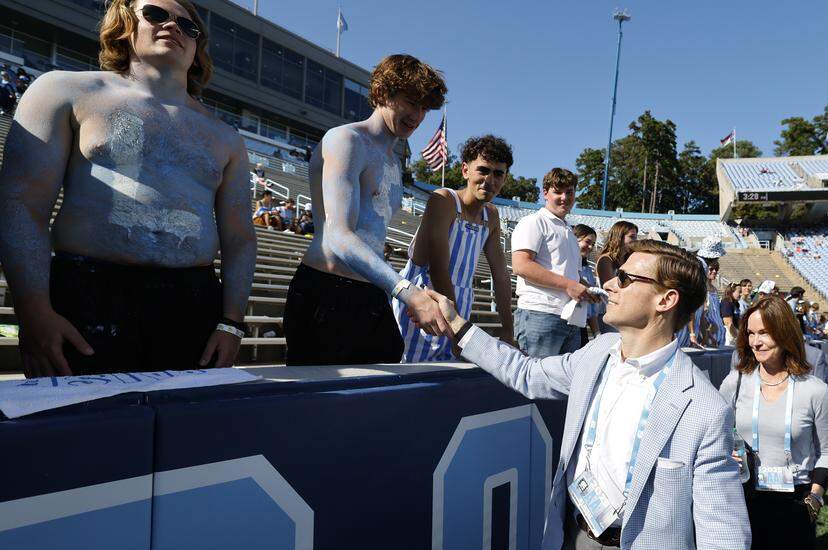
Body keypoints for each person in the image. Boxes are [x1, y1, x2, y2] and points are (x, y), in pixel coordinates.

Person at [429, 239, 752, 550]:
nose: (609, 285)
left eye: (625, 277)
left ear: (665, 300)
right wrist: (459, 325)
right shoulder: (597, 351)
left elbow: (724, 546)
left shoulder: (704, 409)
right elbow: (527, 373)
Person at [0, 0, 256, 376]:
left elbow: (240, 238)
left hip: (192, 301)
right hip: (87, 292)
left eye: (189, 26)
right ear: (124, 23)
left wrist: (231, 322)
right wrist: (34, 310)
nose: (173, 26)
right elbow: (22, 203)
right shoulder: (64, 91)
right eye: (156, 14)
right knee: (83, 428)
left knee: (182, 430)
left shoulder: (227, 137)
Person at [284, 54, 450, 366]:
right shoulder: (346, 140)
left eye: (425, 107)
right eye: (411, 101)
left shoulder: (392, 161)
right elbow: (338, 235)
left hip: (373, 294)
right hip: (327, 289)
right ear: (384, 92)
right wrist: (408, 291)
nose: (418, 114)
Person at [719, 295, 828, 550]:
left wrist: (813, 500)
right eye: (751, 334)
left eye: (765, 333)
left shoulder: (815, 391)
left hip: (793, 504)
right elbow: (715, 434)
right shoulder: (735, 383)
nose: (756, 341)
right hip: (742, 501)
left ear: (785, 334)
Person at [393, 135, 514, 362]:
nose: (490, 180)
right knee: (410, 372)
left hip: (459, 303)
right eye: (483, 170)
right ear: (465, 170)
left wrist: (508, 331)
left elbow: (501, 275)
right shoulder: (444, 200)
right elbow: (438, 268)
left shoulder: (491, 215)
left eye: (498, 173)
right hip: (424, 301)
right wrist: (458, 325)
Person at [510, 168, 599, 357]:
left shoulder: (568, 231)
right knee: (536, 383)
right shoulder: (533, 222)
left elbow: (567, 274)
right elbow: (521, 265)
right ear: (545, 193)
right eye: (558, 191)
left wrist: (586, 289)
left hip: (569, 317)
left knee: (562, 384)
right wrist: (569, 285)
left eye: (569, 192)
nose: (564, 197)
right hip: (540, 314)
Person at [595, 220, 638, 334]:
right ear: (619, 237)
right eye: (632, 237)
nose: (636, 241)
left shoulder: (627, 260)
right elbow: (612, 290)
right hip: (609, 312)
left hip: (623, 311)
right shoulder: (606, 260)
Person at [691, 238, 727, 348]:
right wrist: (692, 333)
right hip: (689, 332)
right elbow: (691, 308)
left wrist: (706, 335)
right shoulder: (699, 267)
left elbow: (700, 313)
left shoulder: (701, 266)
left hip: (697, 331)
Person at [573, 223, 601, 345]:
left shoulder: (587, 270)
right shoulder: (565, 266)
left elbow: (591, 309)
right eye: (587, 242)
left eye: (593, 244)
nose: (590, 247)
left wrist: (597, 334)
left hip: (580, 325)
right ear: (575, 239)